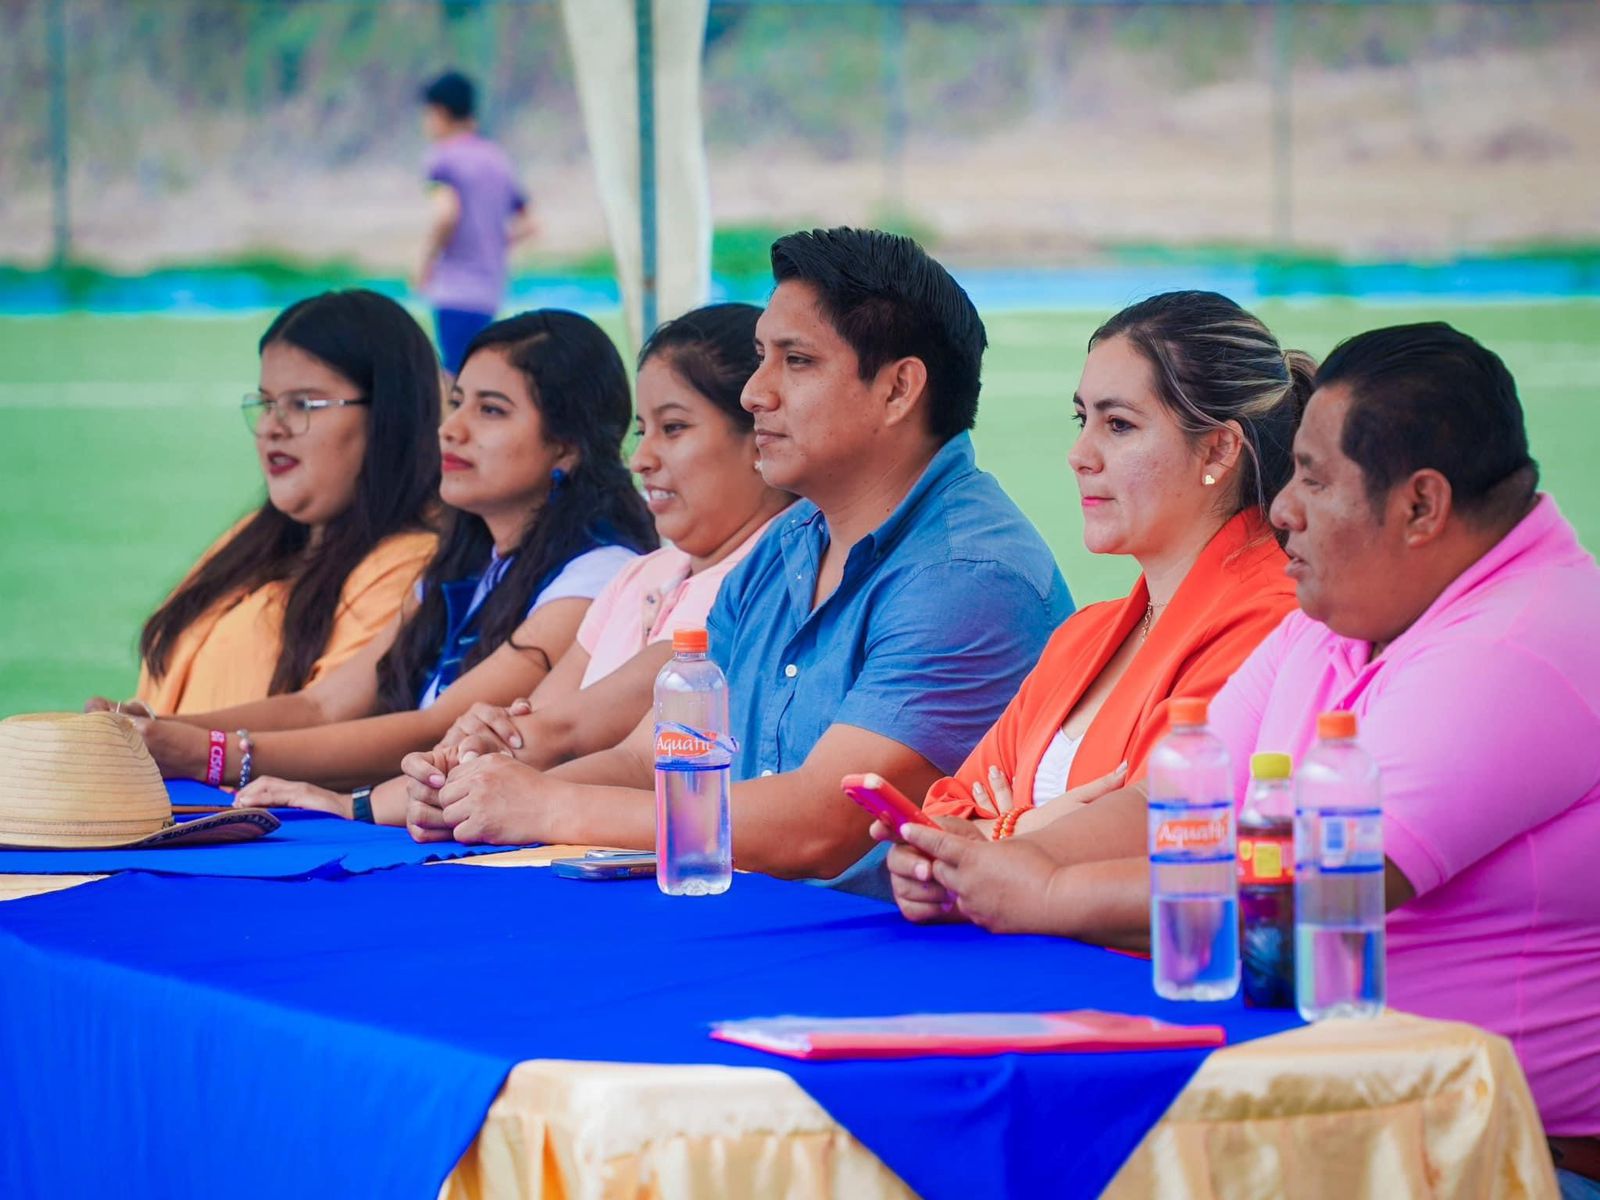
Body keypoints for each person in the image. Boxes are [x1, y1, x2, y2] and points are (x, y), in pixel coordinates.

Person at [888, 324, 1600, 1191]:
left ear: (1420, 507)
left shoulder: (1520, 643)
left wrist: (1041, 894)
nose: (1283, 509)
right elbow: (1167, 802)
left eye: (1315, 480)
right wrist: (987, 865)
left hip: (1497, 1156)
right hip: (1336, 1110)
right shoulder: (1341, 617)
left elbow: (1315, 889)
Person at [398, 227, 1073, 891]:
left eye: (796, 361)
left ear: (898, 390)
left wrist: (548, 806)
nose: (755, 393)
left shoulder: (967, 576)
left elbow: (821, 825)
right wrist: (481, 795)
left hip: (889, 953)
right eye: (760, 357)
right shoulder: (788, 544)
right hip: (754, 924)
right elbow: (650, 760)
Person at [238, 302, 794, 822]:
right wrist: (433, 776)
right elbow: (531, 731)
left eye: (672, 429)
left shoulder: (731, 579)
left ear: (759, 438)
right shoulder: (639, 576)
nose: (641, 459)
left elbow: (581, 740)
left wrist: (363, 802)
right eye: (641, 431)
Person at [128, 310, 656, 791]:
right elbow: (322, 705)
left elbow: (438, 728)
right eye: (456, 403)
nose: (452, 430)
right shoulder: (466, 564)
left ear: (566, 446)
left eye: (491, 410)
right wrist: (150, 729)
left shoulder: (597, 576)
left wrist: (210, 755)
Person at [922, 292, 1308, 839]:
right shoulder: (1083, 635)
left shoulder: (1273, 624)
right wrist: (1025, 829)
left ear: (1218, 450)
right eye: (1082, 419)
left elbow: (1159, 837)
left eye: (1119, 425)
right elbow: (937, 821)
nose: (1079, 454)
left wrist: (1000, 831)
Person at [85, 290, 441, 718]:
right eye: (267, 403)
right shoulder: (255, 537)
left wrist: (168, 737)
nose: (273, 426)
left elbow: (325, 725)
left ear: (388, 416)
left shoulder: (410, 565)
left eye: (303, 404)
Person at [416, 70, 535, 376]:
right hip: (490, 290)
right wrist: (493, 242)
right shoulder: (498, 159)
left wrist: (426, 262)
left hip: (456, 289)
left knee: (455, 377)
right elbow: (529, 224)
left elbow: (446, 214)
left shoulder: (443, 158)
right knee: (475, 371)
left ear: (440, 112)